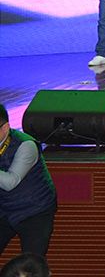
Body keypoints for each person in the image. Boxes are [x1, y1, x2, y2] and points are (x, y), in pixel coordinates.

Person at [0, 105, 57, 259]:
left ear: (5, 127)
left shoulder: (26, 145)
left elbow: (10, 182)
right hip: (4, 208)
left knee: (31, 262)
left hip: (34, 210)